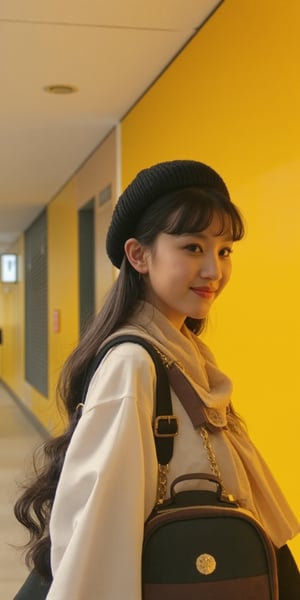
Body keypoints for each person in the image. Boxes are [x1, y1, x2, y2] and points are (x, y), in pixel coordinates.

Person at [14, 160, 300, 599]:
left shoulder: (185, 355)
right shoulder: (133, 365)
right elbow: (100, 536)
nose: (214, 271)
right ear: (139, 255)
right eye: (192, 247)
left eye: (224, 251)